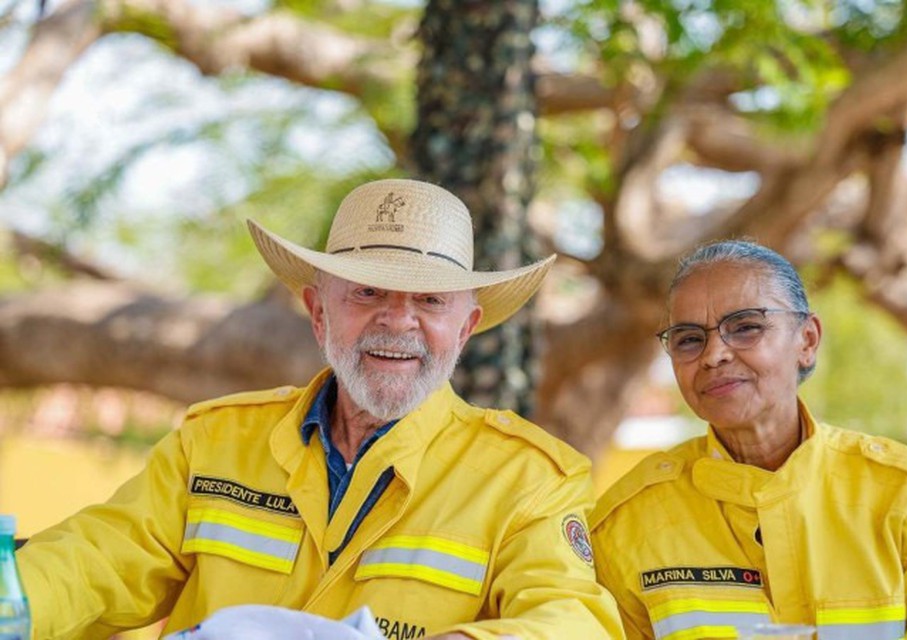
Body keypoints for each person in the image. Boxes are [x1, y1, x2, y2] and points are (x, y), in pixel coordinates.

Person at [17, 179, 625, 640]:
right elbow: (95, 558)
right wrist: (11, 601)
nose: (397, 320)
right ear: (318, 312)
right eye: (367, 291)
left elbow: (571, 620)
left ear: (465, 329)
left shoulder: (532, 480)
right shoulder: (213, 440)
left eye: (430, 300)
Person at [590, 240, 907, 640]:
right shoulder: (627, 525)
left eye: (746, 327)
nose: (714, 354)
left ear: (807, 340)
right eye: (689, 339)